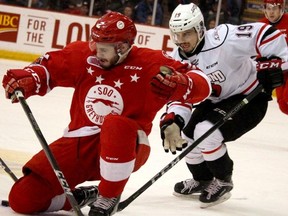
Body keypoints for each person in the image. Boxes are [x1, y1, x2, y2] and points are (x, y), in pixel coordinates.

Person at [2, 11, 212, 216]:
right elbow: (49, 67)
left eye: (103, 49)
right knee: (22, 199)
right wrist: (31, 77)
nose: (96, 53)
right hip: (80, 144)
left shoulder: (150, 62)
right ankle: (85, 195)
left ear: (122, 47)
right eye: (95, 46)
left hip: (128, 145)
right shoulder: (85, 55)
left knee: (115, 124)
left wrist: (183, 84)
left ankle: (108, 195)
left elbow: (201, 82)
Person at [159, 3, 288, 209]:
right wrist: (173, 118)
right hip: (217, 100)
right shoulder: (177, 59)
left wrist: (278, 64)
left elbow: (264, 33)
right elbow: (180, 95)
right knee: (186, 134)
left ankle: (223, 180)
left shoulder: (223, 37)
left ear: (200, 29)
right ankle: (203, 180)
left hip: (250, 97)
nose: (181, 41)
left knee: (206, 131)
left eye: (186, 34)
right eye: (177, 35)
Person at [259, 0, 288, 114]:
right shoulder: (261, 25)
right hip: (277, 72)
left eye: (274, 8)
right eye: (269, 8)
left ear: (281, 8)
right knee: (283, 106)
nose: (271, 12)